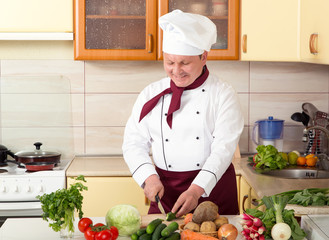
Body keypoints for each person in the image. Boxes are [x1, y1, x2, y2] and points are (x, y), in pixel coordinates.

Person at [122, 9, 244, 217]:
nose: (176, 71)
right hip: (165, 193)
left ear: (204, 56)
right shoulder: (151, 93)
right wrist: (147, 176)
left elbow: (223, 149)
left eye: (185, 63)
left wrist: (197, 189)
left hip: (212, 191)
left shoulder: (223, 94)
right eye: (169, 62)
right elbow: (133, 142)